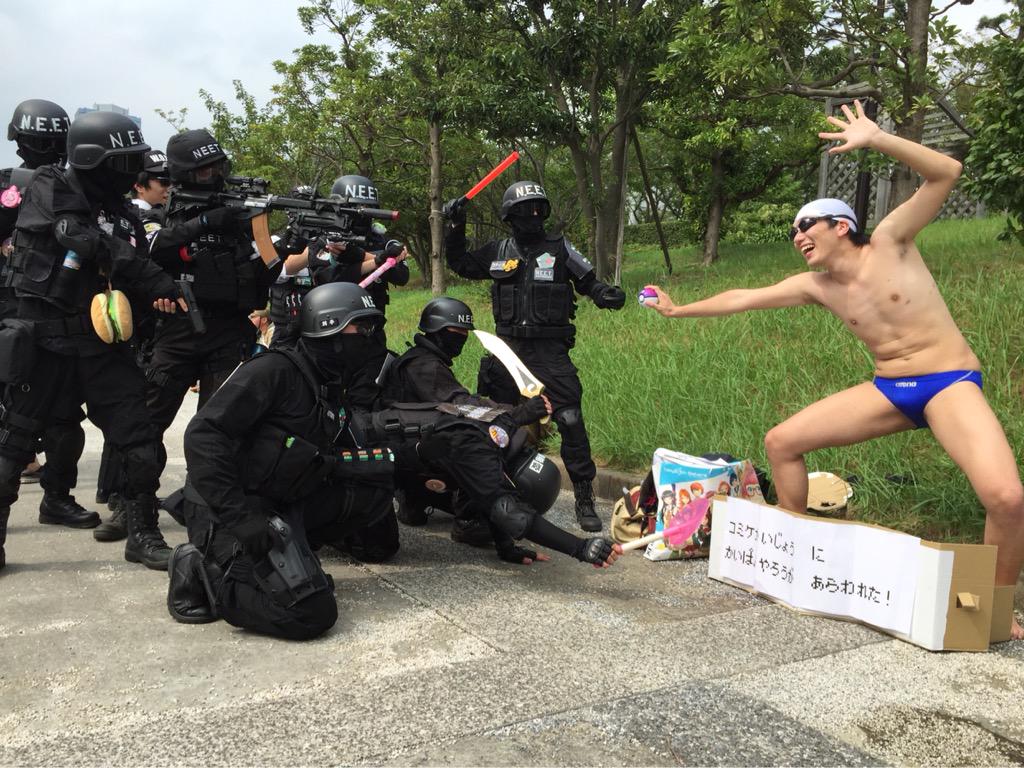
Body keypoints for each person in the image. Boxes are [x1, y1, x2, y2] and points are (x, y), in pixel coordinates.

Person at [646, 100, 1024, 640]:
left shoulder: (891, 242)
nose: (798, 235)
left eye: (807, 224)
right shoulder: (816, 286)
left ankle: (995, 612)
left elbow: (947, 171)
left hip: (948, 384)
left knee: (1007, 499)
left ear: (842, 225)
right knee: (782, 442)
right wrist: (679, 310)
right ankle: (794, 559)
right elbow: (744, 296)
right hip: (890, 389)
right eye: (792, 231)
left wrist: (878, 137)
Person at [0, 110, 186, 571]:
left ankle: (143, 533)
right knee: (13, 443)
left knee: (140, 440)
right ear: (92, 160)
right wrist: (149, 275)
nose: (131, 170)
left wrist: (159, 297)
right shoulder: (49, 184)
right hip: (45, 344)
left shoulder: (122, 213)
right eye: (123, 161)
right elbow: (76, 236)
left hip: (102, 346)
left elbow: (128, 267)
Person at [168, 282, 400, 640]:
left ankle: (295, 558)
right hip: (231, 508)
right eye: (361, 328)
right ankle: (205, 570)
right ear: (329, 329)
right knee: (311, 614)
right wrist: (241, 518)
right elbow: (203, 436)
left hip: (280, 498)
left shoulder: (327, 381)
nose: (369, 338)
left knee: (375, 486)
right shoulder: (273, 371)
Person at [443, 180, 626, 532]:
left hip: (550, 351)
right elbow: (461, 263)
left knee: (570, 418)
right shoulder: (499, 250)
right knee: (494, 420)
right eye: (524, 211)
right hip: (507, 350)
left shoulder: (560, 248)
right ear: (509, 217)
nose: (532, 216)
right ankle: (488, 493)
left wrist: (604, 293)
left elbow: (588, 281)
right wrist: (456, 225)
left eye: (538, 209)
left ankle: (584, 497)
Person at [144, 130, 282, 465]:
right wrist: (204, 222)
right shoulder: (161, 214)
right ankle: (131, 492)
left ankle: (205, 495)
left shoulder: (238, 216)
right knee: (145, 424)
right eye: (205, 170)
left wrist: (291, 242)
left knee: (219, 428)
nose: (214, 175)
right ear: (184, 173)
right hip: (176, 330)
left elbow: (266, 270)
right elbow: (150, 247)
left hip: (228, 332)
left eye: (218, 167)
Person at [381, 296, 554, 549]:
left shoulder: (423, 359)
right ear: (436, 330)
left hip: (413, 446)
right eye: (456, 332)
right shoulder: (425, 366)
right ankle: (469, 520)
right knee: (477, 438)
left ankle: (415, 499)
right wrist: (516, 414)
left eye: (465, 333)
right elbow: (461, 406)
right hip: (415, 451)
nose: (461, 337)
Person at [1, 99, 95, 526]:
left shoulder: (64, 186)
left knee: (57, 419)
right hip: (30, 317)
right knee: (33, 422)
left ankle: (56, 499)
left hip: (47, 316)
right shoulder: (69, 185)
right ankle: (53, 498)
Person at [92, 149, 173, 542]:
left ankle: (132, 508)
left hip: (134, 328)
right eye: (161, 181)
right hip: (82, 326)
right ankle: (115, 499)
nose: (167, 188)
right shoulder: (91, 211)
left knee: (132, 421)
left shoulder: (134, 218)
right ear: (140, 185)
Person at [311, 174, 409, 407]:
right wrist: (373, 261)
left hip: (372, 335)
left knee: (371, 398)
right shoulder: (324, 238)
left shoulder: (380, 239)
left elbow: (401, 275)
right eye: (356, 208)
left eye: (368, 209)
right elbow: (327, 278)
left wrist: (369, 256)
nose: (362, 215)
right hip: (333, 335)